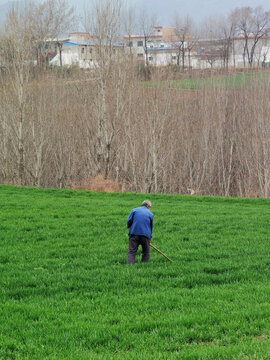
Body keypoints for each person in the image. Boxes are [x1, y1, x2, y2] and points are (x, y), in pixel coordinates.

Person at [126, 200, 153, 264]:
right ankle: (144, 266)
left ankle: (129, 266)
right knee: (146, 252)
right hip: (146, 235)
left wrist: (130, 228)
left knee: (131, 251)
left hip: (134, 233)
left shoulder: (134, 210)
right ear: (148, 207)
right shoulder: (150, 214)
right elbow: (150, 226)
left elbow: (129, 221)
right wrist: (149, 237)